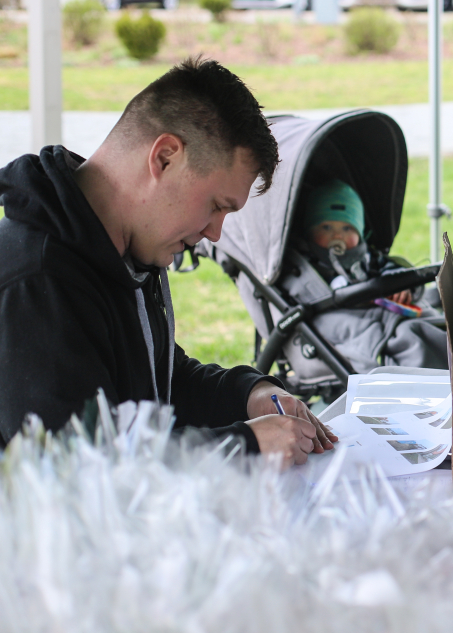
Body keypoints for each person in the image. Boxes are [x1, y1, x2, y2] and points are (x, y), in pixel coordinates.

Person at [0, 57, 335, 466]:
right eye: (216, 206)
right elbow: (81, 472)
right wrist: (242, 445)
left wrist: (249, 394)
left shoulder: (121, 249)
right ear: (164, 158)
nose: (214, 233)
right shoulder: (35, 282)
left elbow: (160, 385)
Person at [285, 179, 448, 373]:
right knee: (410, 337)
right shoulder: (307, 267)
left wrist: (400, 287)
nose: (338, 236)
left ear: (360, 233)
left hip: (387, 308)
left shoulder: (367, 257)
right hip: (347, 318)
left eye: (347, 228)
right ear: (310, 232)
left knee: (434, 325)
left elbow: (390, 270)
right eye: (326, 228)